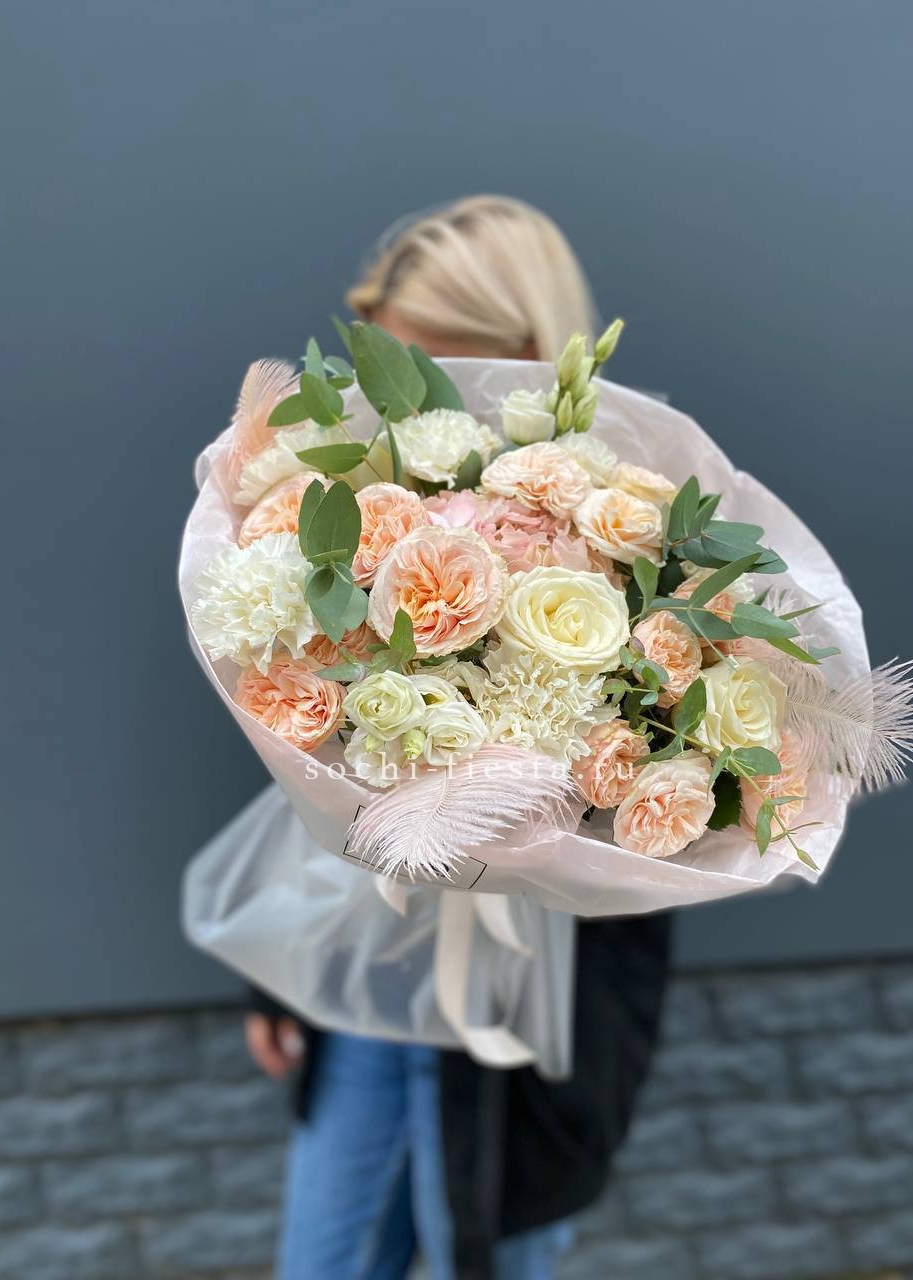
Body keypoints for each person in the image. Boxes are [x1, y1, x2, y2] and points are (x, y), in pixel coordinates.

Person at [246, 195, 672, 1280]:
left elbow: (665, 797)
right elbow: (312, 735)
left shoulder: (638, 516)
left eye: (434, 362)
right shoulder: (368, 488)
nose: (413, 398)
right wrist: (282, 970)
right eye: (393, 359)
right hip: (368, 980)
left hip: (532, 1001)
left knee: (490, 1246)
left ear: (529, 345)